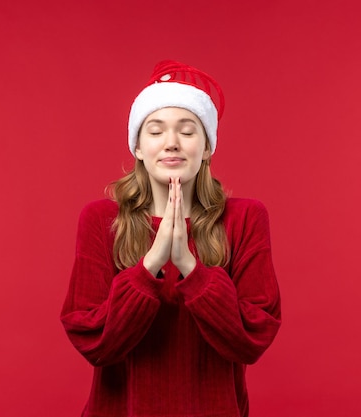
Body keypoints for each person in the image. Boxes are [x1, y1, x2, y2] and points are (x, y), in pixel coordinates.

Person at [61, 60, 282, 417]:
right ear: (137, 146)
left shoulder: (245, 218)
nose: (171, 143)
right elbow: (95, 342)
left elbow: (250, 340)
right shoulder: (101, 220)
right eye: (156, 130)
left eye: (187, 130)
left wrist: (190, 268)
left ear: (207, 146)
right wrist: (149, 266)